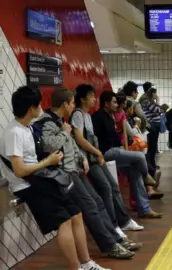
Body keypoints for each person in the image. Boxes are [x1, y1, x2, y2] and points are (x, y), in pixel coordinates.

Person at [0, 86, 110, 270]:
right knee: (64, 220)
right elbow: (19, 171)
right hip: (26, 184)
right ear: (30, 109)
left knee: (76, 212)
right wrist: (48, 161)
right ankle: (77, 267)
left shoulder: (25, 128)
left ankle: (87, 263)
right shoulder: (14, 133)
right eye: (38, 106)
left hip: (38, 178)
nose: (41, 109)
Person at [40, 88, 139, 259]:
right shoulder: (49, 123)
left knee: (98, 202)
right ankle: (109, 245)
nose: (73, 106)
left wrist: (81, 157)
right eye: (71, 103)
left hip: (76, 169)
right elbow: (49, 145)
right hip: (66, 173)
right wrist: (65, 132)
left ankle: (115, 239)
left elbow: (71, 144)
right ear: (65, 104)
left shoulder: (61, 121)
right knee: (91, 207)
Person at [71, 84, 146, 230]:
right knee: (106, 189)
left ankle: (123, 221)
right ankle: (114, 225)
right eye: (91, 96)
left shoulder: (87, 116)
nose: (94, 99)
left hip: (94, 157)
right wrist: (98, 152)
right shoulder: (78, 115)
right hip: (88, 160)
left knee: (113, 187)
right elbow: (80, 139)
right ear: (82, 99)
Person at [91, 91, 162, 218]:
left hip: (114, 151)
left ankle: (144, 209)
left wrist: (122, 148)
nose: (116, 105)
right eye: (114, 102)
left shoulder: (109, 117)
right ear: (106, 104)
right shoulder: (97, 117)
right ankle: (147, 176)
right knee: (140, 156)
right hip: (105, 153)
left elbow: (116, 137)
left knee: (136, 172)